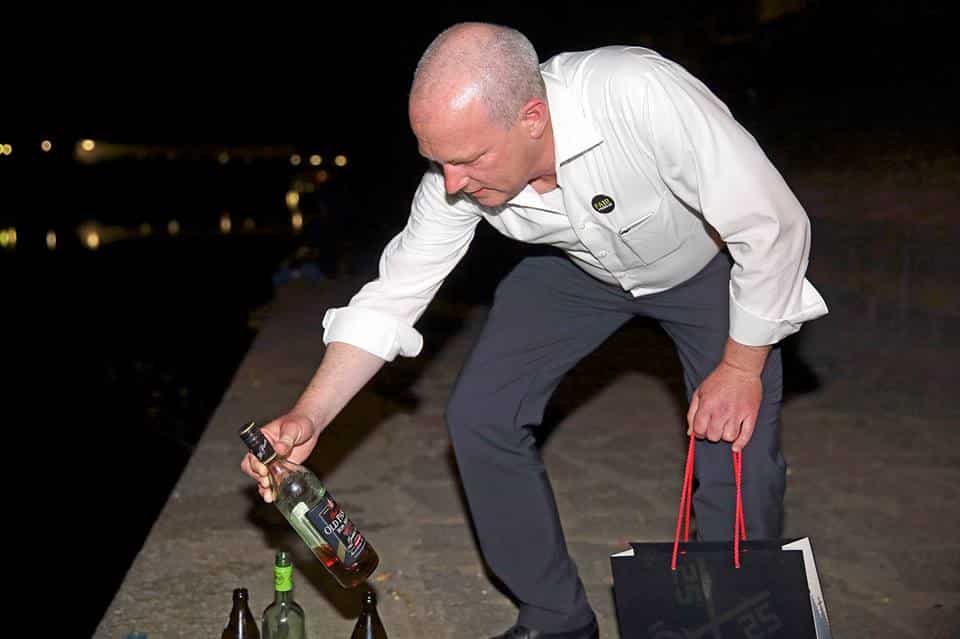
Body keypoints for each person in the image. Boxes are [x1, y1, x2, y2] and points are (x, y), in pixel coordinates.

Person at [241, 22, 827, 639]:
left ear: (532, 117)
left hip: (705, 267)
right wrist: (310, 415)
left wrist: (739, 368)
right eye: (436, 162)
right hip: (575, 272)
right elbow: (392, 299)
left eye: (468, 161)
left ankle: (734, 620)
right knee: (479, 413)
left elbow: (772, 223)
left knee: (736, 448)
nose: (452, 184)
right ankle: (555, 616)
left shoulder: (637, 93)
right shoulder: (456, 172)